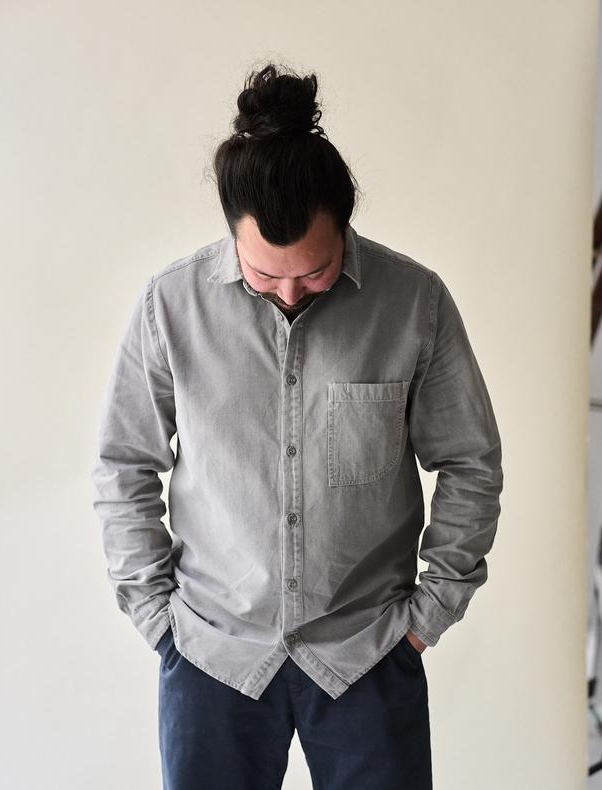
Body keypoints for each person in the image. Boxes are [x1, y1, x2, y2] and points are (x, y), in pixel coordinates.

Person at [91, 61, 503, 790]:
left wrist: (428, 615)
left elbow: (469, 460)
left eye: (313, 272)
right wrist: (156, 616)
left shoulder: (415, 303)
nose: (288, 292)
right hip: (212, 656)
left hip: (367, 654)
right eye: (263, 274)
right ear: (233, 234)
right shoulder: (169, 307)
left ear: (344, 226)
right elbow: (125, 463)